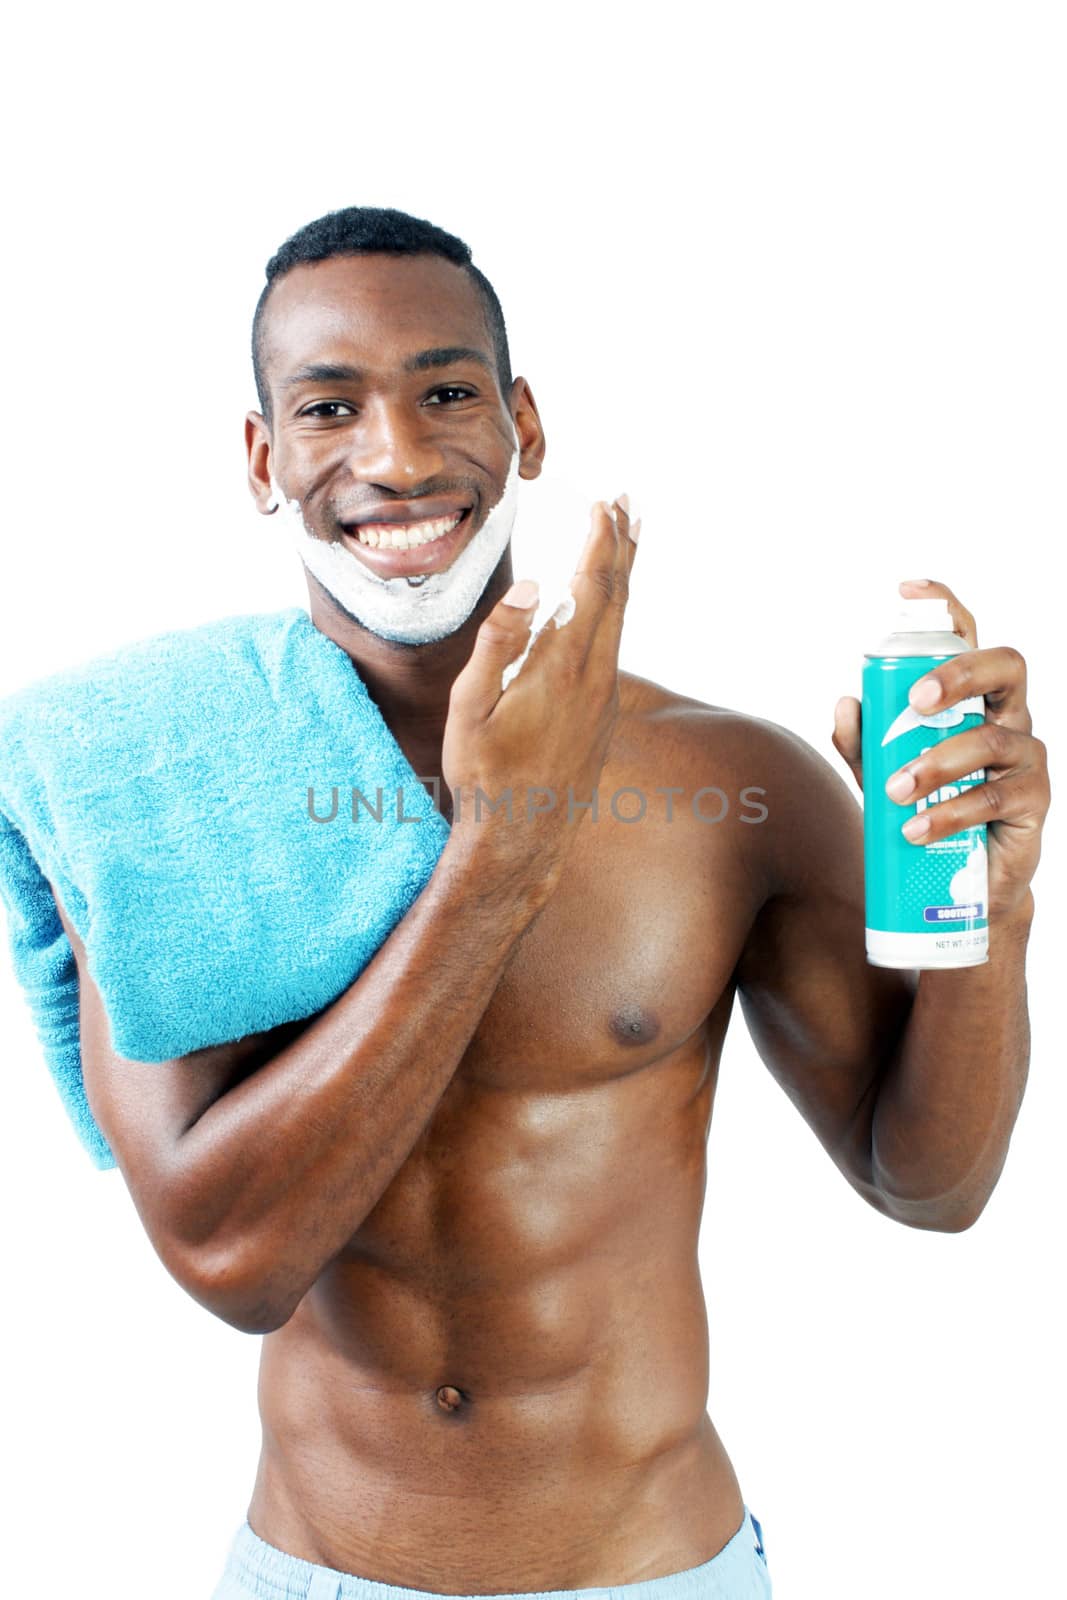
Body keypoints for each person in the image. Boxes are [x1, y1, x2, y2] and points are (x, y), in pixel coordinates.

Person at [44, 206, 1049, 1600]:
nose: (396, 456)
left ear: (522, 422)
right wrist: (496, 860)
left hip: (654, 1570)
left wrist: (988, 925)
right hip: (318, 1572)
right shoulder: (157, 793)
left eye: (447, 392)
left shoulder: (726, 784)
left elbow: (931, 1187)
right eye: (331, 408)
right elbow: (230, 1261)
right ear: (264, 459)